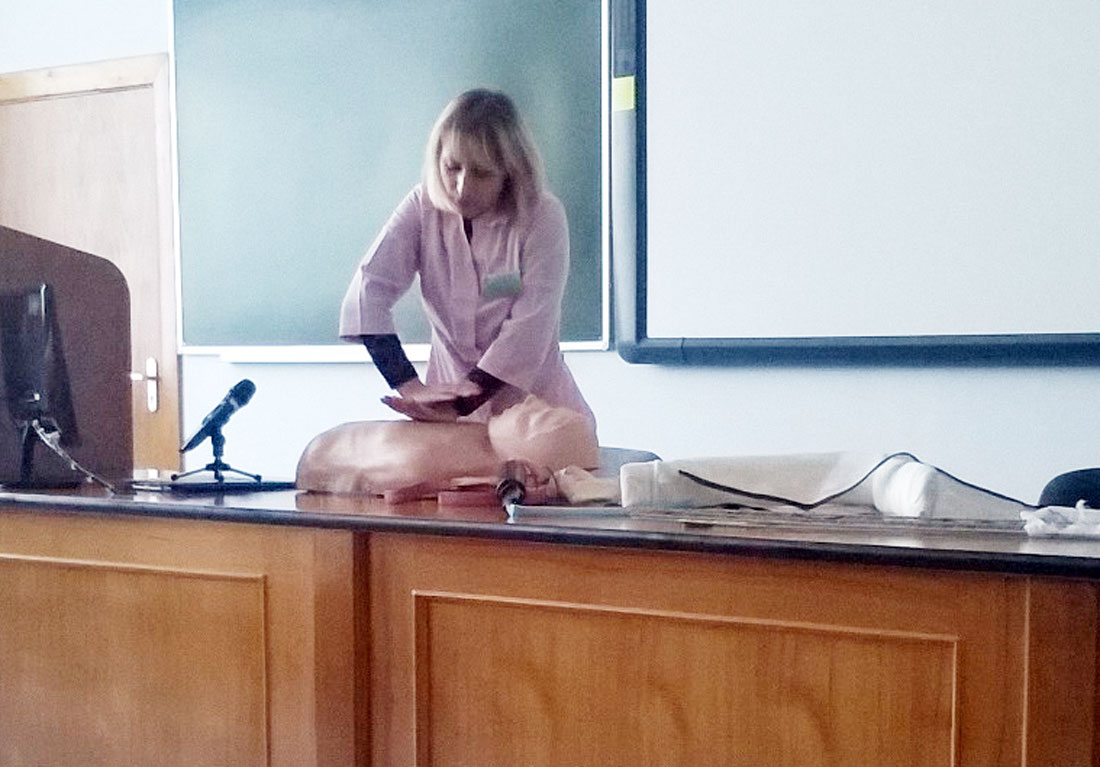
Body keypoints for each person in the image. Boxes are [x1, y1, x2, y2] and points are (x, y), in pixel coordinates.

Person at [339, 88, 594, 427]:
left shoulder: (542, 216)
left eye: (482, 172)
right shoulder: (421, 207)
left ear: (510, 171)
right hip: (445, 417)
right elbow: (367, 292)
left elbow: (530, 327)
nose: (462, 187)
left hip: (539, 418)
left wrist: (462, 402)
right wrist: (409, 386)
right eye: (452, 167)